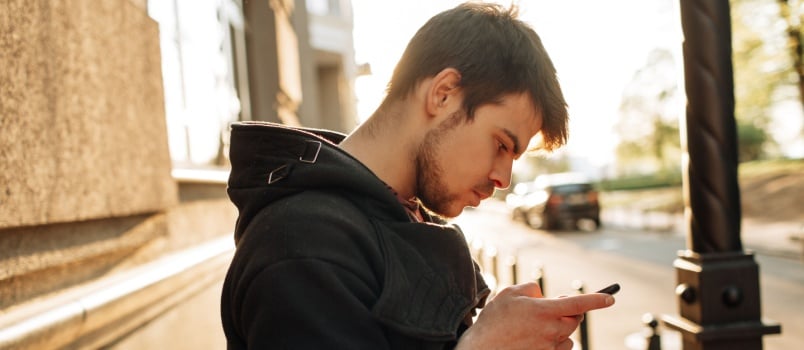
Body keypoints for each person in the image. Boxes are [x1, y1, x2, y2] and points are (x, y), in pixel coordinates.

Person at [220, 2, 615, 349]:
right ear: (443, 94)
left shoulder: (400, 216)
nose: (504, 179)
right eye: (501, 144)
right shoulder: (303, 244)